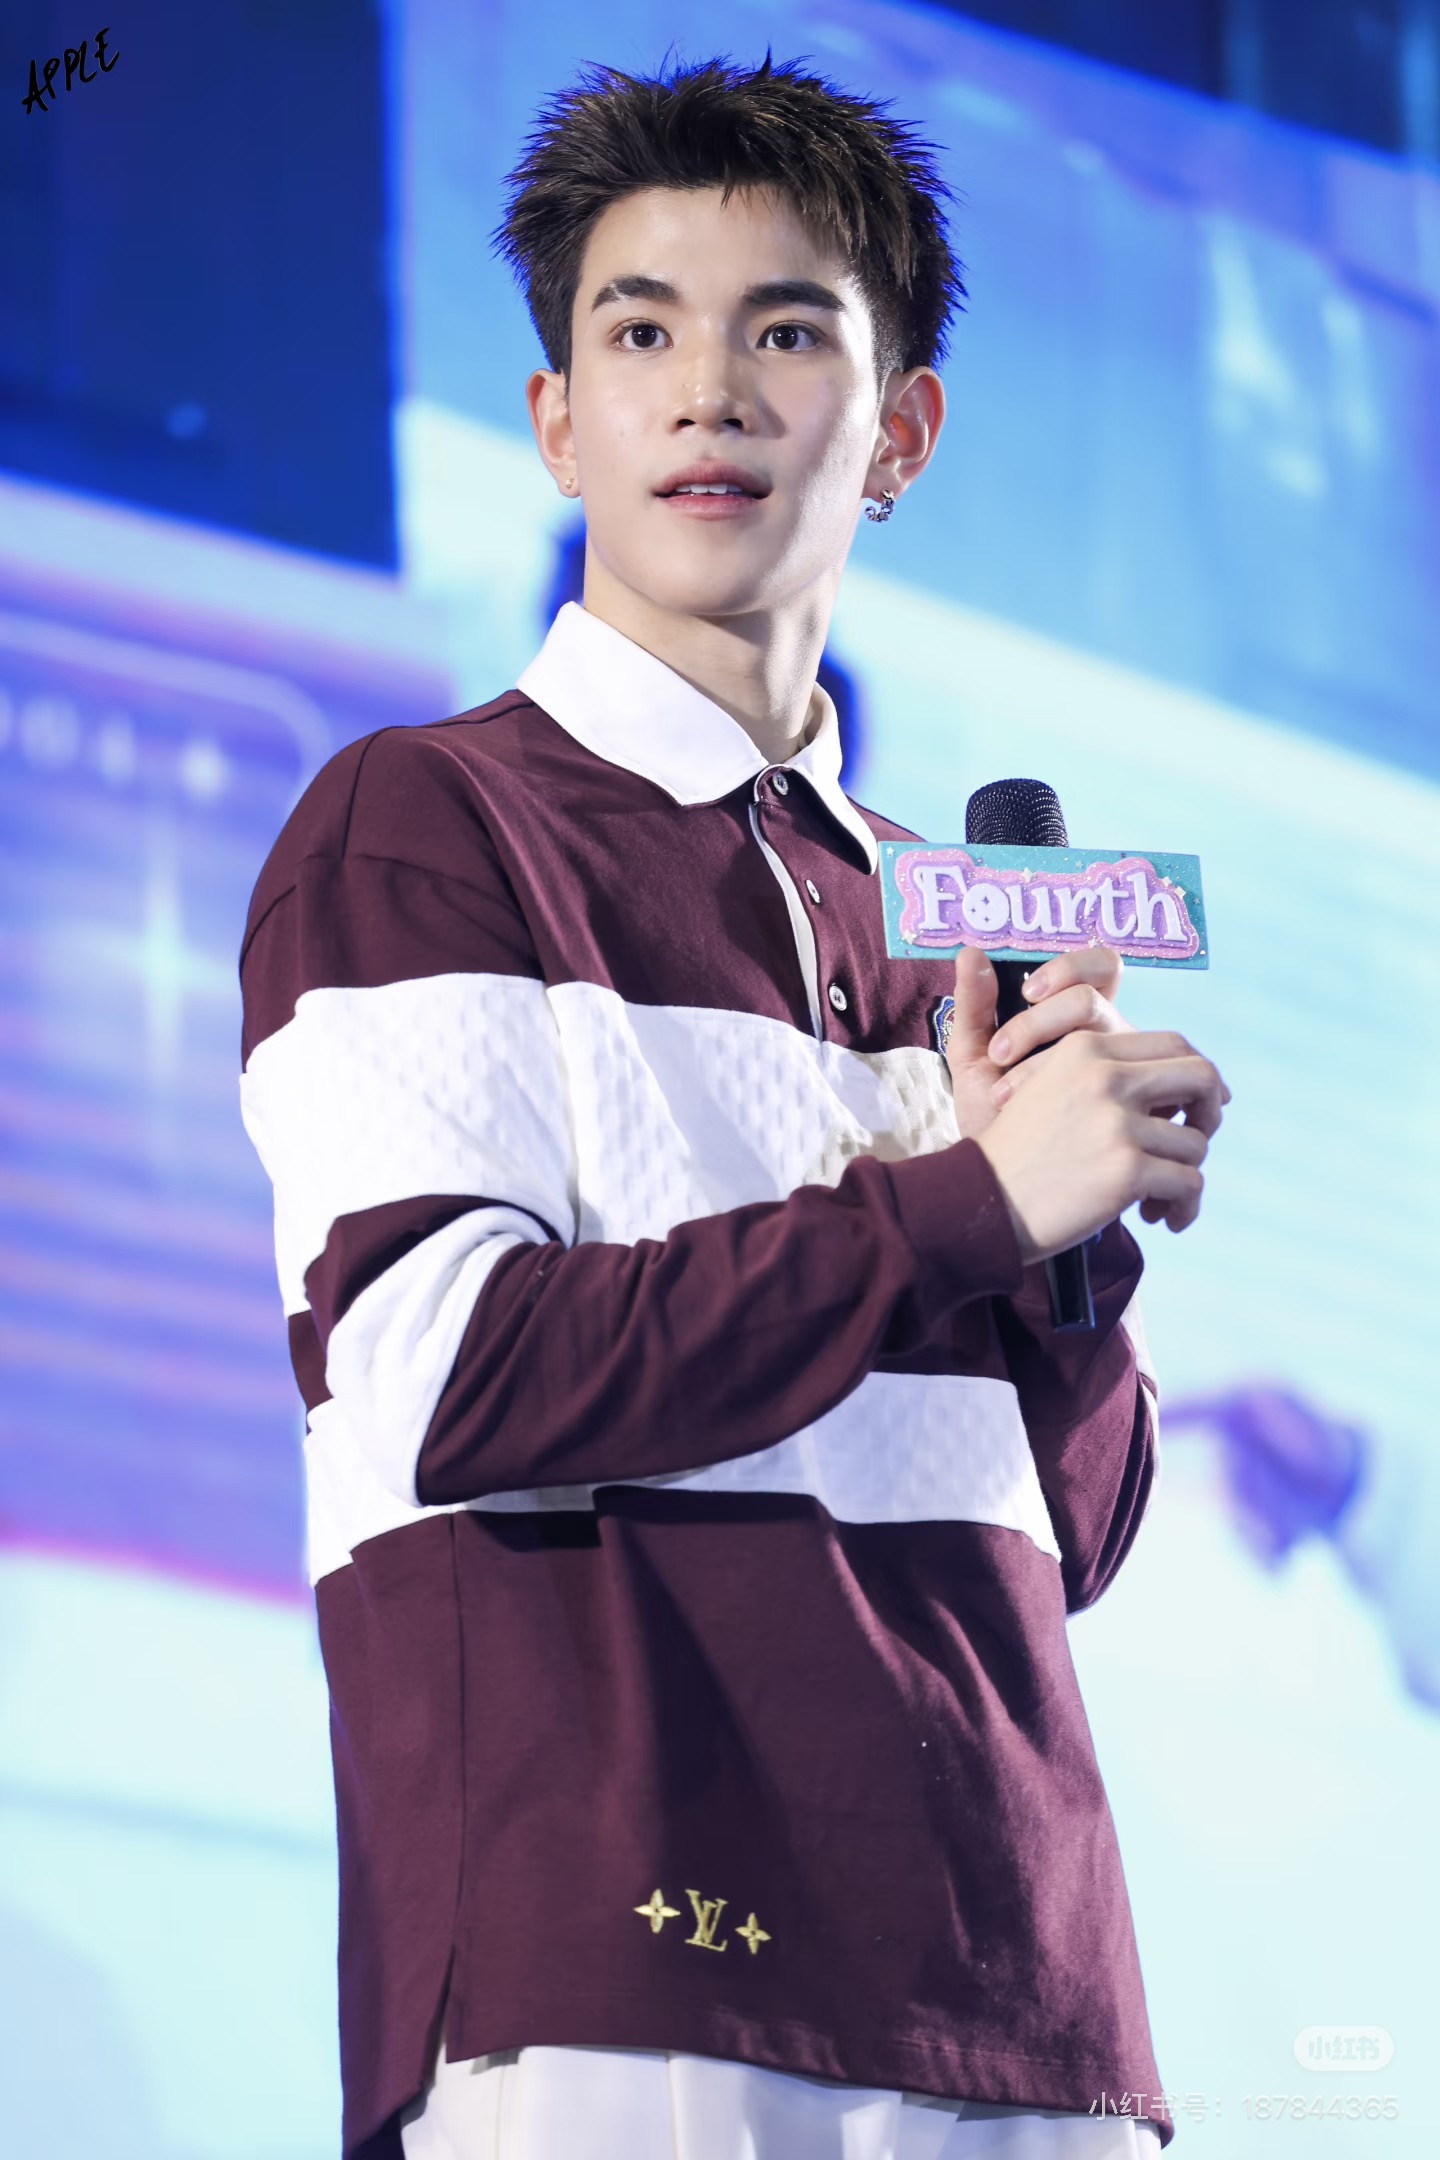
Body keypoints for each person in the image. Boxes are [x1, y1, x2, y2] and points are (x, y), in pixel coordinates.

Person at [237, 49, 1227, 2160]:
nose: (710, 391)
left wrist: (1073, 1244)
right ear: (556, 422)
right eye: (641, 332)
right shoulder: (426, 818)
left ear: (901, 433)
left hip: (1027, 1997)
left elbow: (1074, 1533)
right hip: (629, 1978)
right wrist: (966, 1206)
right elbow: (441, 1376)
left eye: (786, 333)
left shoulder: (952, 917)